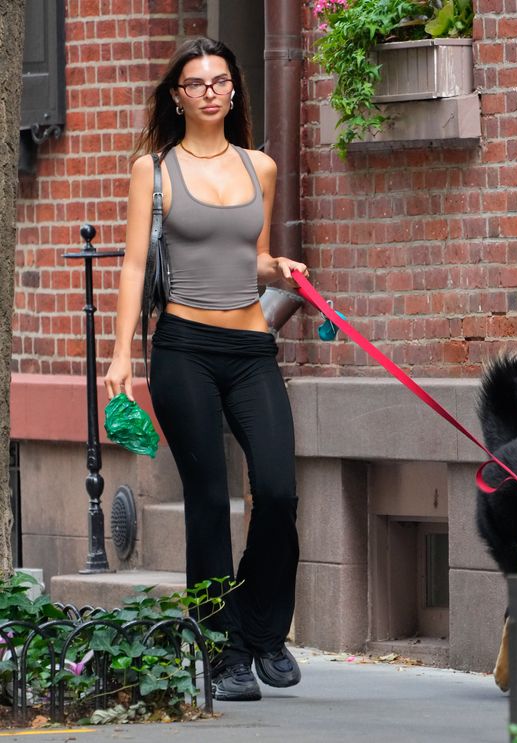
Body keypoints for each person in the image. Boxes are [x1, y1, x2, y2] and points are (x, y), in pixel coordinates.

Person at [104, 37, 308, 702]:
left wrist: (279, 268)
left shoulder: (261, 167)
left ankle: (263, 630)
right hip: (184, 348)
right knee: (209, 498)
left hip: (251, 349)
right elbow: (136, 265)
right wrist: (118, 357)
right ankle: (221, 650)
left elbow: (248, 254)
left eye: (222, 80)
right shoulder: (153, 170)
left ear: (234, 90)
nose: (212, 91)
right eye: (198, 83)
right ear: (178, 95)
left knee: (278, 491)